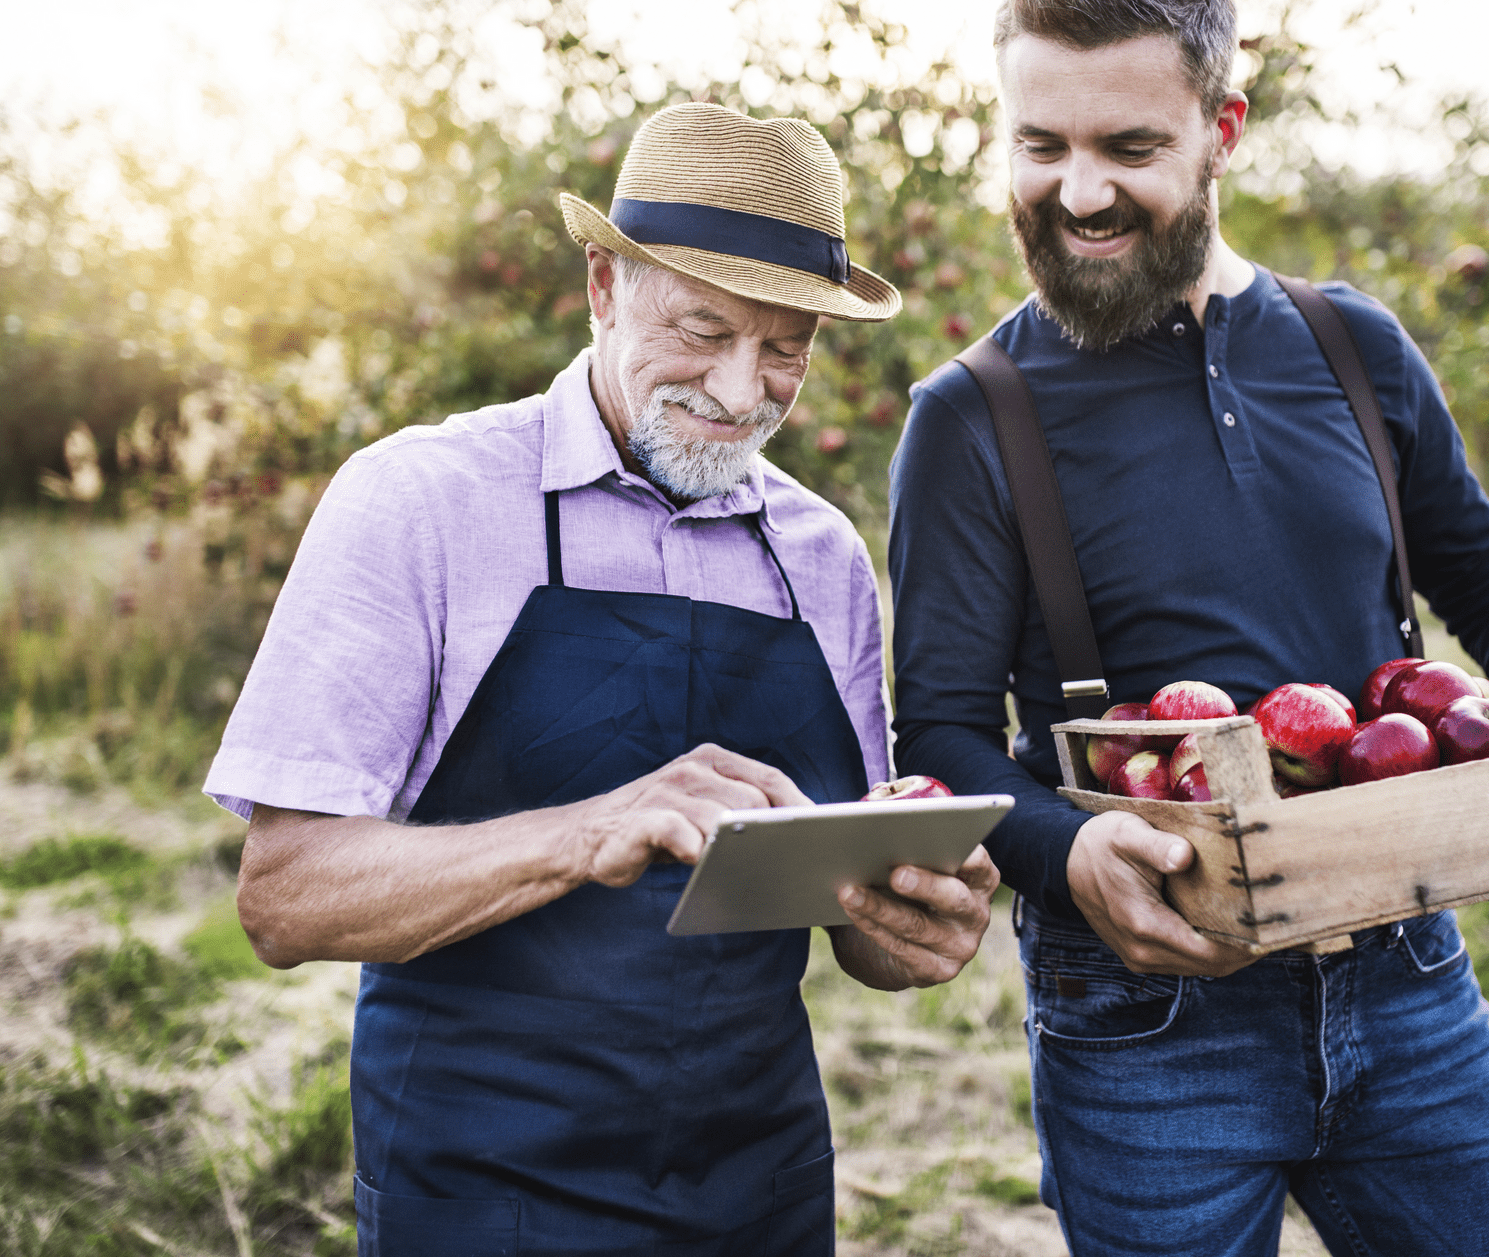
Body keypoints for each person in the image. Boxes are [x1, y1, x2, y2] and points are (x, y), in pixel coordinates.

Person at [887, 0, 1489, 1256]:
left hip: (1406, 974)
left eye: (1129, 149)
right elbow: (937, 734)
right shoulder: (971, 417)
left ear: (1223, 129)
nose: (1078, 193)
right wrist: (1069, 854)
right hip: (1149, 1017)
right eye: (1040, 146)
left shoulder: (1354, 348)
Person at [210, 102, 999, 1257]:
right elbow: (286, 899)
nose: (741, 391)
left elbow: (860, 931)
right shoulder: (421, 503)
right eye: (703, 329)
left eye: (786, 348)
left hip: (761, 1193)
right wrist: (589, 832)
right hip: (484, 1194)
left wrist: (919, 924)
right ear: (602, 286)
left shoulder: (823, 558)